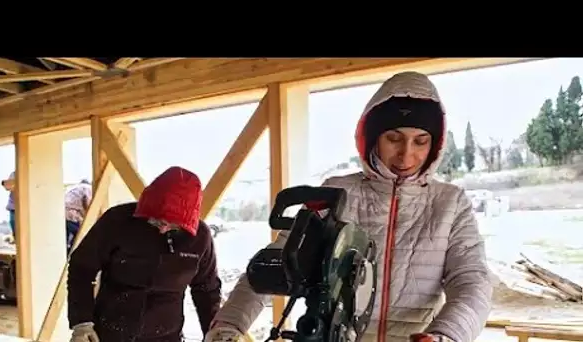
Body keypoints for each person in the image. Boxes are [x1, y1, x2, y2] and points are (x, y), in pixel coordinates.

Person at [205, 72, 492, 342]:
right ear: (373, 137)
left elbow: (471, 281)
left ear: (436, 144)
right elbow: (279, 260)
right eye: (394, 138)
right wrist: (229, 325)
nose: (407, 154)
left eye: (421, 141)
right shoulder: (337, 192)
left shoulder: (450, 203)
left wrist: (447, 334)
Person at [67, 166, 222, 342]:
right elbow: (82, 269)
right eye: (157, 220)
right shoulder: (117, 221)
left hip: (166, 335)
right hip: (111, 331)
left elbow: (207, 289)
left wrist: (213, 330)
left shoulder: (199, 238)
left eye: (173, 224)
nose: (163, 228)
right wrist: (82, 322)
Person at [65, 179, 93, 253]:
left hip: (64, 214)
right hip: (72, 215)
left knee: (67, 240)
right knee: (81, 236)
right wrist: (89, 216)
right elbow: (88, 202)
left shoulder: (74, 188)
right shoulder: (88, 188)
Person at [1, 171, 16, 241]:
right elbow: (8, 186)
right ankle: (15, 237)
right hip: (13, 205)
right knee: (13, 222)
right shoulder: (14, 174)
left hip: (22, 204)